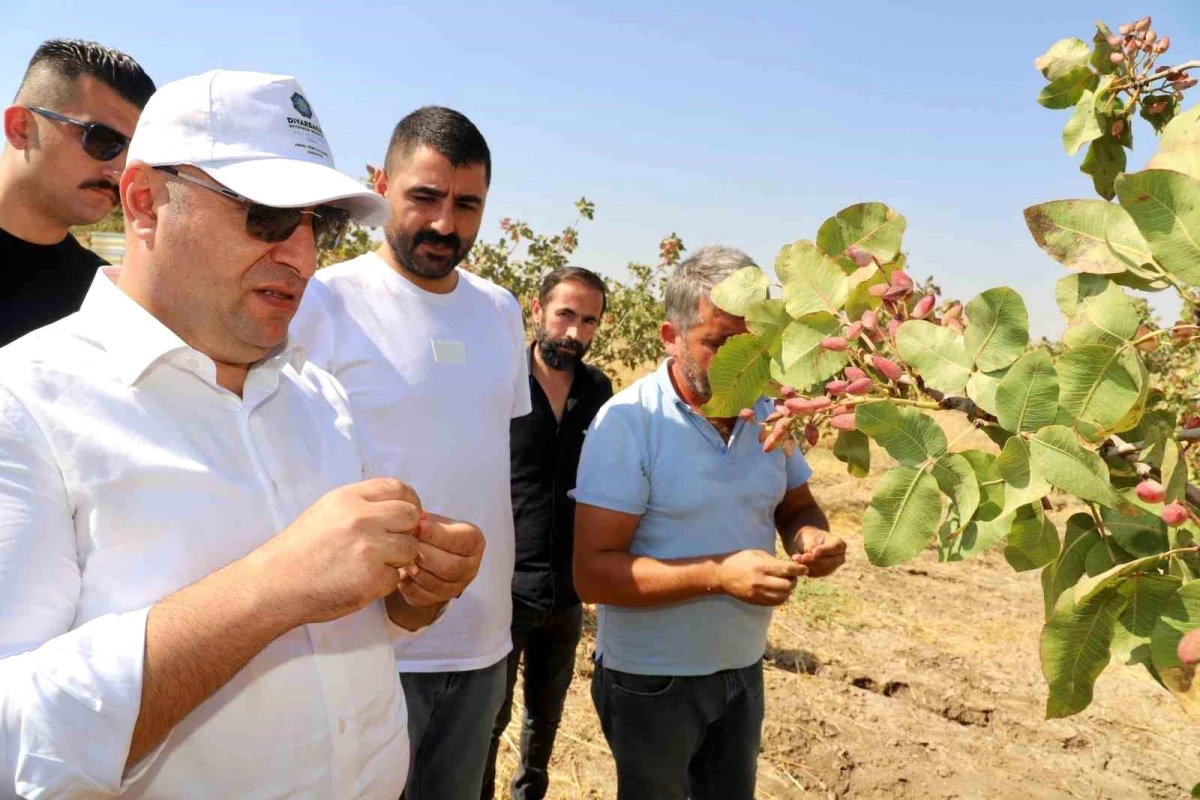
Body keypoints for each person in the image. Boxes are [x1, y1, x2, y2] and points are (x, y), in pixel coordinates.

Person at [0, 69, 485, 799]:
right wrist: (273, 586)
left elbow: (336, 634)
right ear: (144, 204)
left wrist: (411, 599)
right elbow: (13, 743)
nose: (300, 255)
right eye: (263, 215)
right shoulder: (26, 406)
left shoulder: (317, 395)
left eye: (315, 225)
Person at [290, 106, 530, 800]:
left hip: (482, 640)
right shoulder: (323, 301)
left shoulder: (500, 311)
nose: (445, 225)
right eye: (424, 197)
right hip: (364, 646)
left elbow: (491, 459)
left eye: (467, 205)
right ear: (382, 183)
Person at [572, 245, 847, 800]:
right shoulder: (628, 424)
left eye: (752, 345)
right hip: (652, 681)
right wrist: (718, 575)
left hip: (742, 670)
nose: (738, 363)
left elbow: (796, 507)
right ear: (670, 336)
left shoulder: (769, 413)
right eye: (718, 343)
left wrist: (811, 537)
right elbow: (593, 575)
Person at [482, 267, 613, 800]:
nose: (574, 333)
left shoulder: (597, 388)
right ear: (537, 312)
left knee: (546, 718)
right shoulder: (500, 379)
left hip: (567, 591)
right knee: (488, 719)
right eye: (565, 315)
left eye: (589, 321)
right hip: (503, 586)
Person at [0, 39, 154, 346]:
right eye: (102, 140)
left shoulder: (104, 302)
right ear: (20, 128)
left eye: (135, 152)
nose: (120, 171)